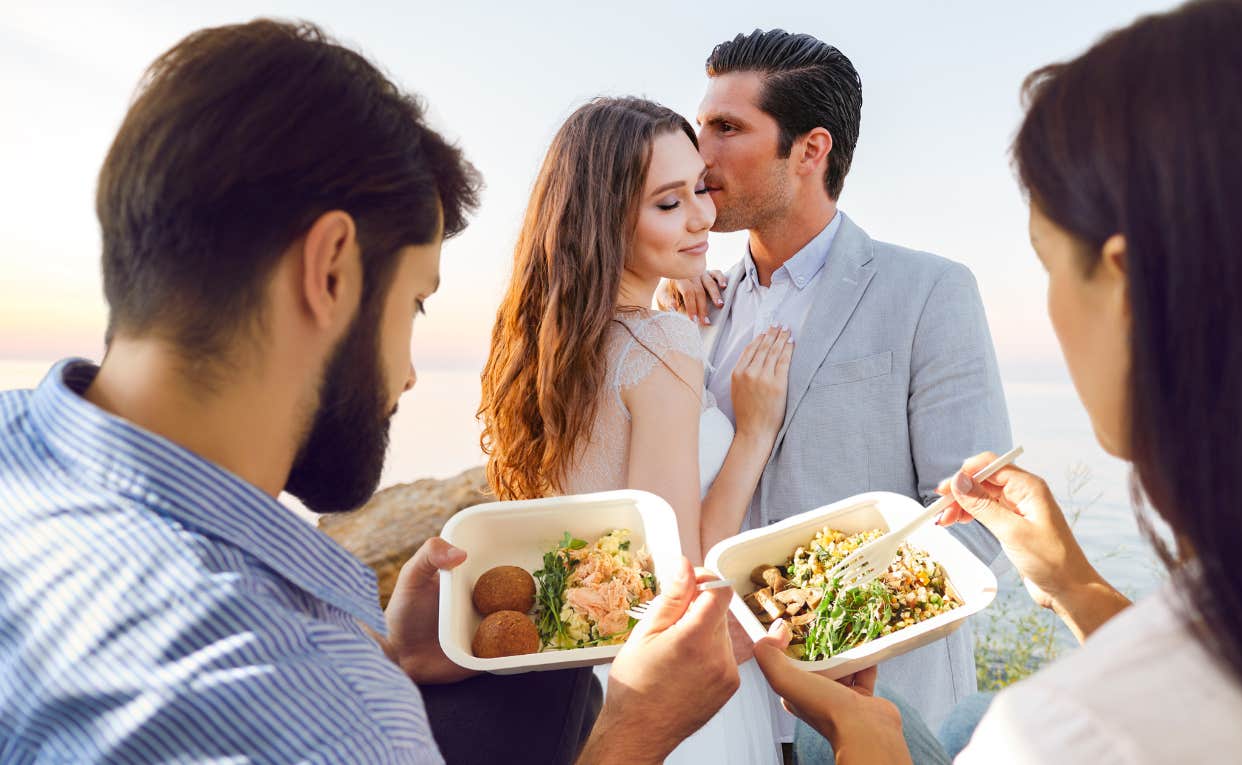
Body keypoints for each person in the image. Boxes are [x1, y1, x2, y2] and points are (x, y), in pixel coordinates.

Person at [0, 21, 737, 764]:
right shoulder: (339, 719)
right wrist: (635, 731)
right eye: (413, 304)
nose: (411, 373)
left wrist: (395, 651)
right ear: (330, 270)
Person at [752, 1, 1242, 763]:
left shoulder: (1062, 735)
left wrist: (862, 736)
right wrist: (1076, 585)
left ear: (1132, 291)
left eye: (1045, 261)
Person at [659, 29, 1012, 735]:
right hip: (724, 716)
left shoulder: (929, 290)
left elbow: (975, 521)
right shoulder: (693, 307)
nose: (699, 153)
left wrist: (808, 621)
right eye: (700, 125)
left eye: (727, 127)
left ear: (811, 149)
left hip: (874, 709)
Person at [478, 96, 790, 765]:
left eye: (700, 188)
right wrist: (753, 434)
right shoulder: (662, 345)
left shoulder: (541, 340)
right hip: (665, 695)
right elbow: (684, 570)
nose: (703, 217)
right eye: (668, 204)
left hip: (576, 680)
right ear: (605, 220)